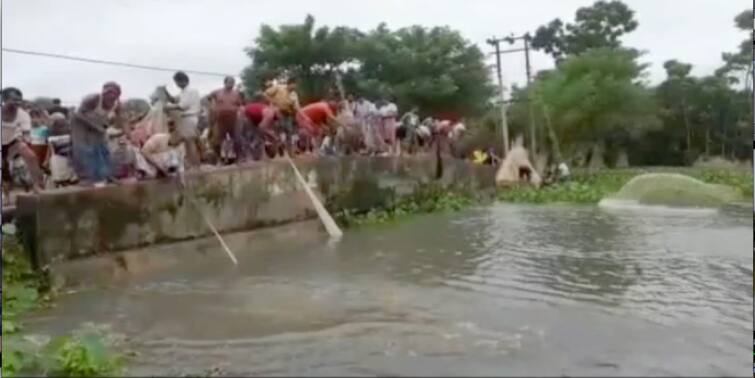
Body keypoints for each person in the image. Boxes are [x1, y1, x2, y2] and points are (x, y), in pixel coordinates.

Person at [71, 82, 122, 186]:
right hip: (80, 124)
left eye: (114, 94)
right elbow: (78, 114)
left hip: (96, 126)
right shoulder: (93, 99)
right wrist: (96, 126)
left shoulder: (115, 104)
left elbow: (113, 119)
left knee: (103, 149)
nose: (111, 96)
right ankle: (85, 178)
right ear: (104, 92)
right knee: (84, 150)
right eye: (109, 92)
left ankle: (108, 175)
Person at [1, 87, 44, 193]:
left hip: (12, 141)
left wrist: (22, 146)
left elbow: (26, 136)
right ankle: (6, 193)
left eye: (19, 100)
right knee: (4, 169)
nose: (17, 103)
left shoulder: (23, 115)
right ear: (4, 100)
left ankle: (36, 186)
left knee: (31, 156)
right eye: (14, 100)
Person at [164, 71, 201, 168]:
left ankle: (195, 165)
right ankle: (193, 164)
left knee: (190, 143)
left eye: (177, 82)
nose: (176, 85)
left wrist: (169, 107)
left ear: (182, 81)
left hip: (189, 118)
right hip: (188, 119)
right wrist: (166, 93)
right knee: (188, 143)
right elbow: (175, 100)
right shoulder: (184, 92)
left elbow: (182, 106)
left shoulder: (190, 91)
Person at [208, 76, 244, 162]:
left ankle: (238, 158)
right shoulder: (217, 92)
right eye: (229, 82)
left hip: (233, 118)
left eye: (233, 82)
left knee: (237, 138)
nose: (231, 84)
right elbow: (208, 98)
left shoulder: (236, 93)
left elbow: (240, 105)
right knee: (217, 140)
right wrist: (212, 107)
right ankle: (219, 159)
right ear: (225, 83)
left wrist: (240, 113)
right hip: (220, 118)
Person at [264, 77, 301, 156]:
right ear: (289, 84)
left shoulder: (294, 94)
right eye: (294, 85)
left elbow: (297, 107)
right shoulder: (278, 88)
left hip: (288, 114)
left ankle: (290, 153)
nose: (294, 87)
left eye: (296, 86)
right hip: (277, 113)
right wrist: (273, 102)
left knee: (289, 133)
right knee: (277, 133)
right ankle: (276, 153)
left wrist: (295, 110)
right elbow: (266, 93)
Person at [47, 113, 77, 187]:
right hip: (58, 158)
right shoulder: (51, 132)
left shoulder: (71, 130)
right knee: (61, 179)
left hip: (69, 157)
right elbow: (51, 147)